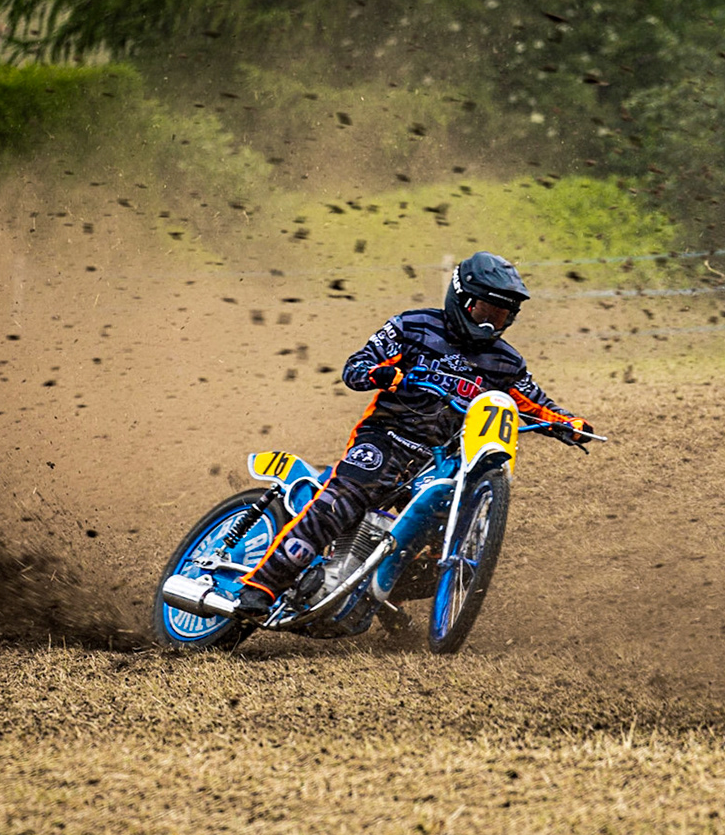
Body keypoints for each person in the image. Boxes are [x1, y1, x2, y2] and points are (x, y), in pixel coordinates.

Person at [234, 251, 592, 617]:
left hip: (441, 459)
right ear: (461, 299)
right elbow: (356, 366)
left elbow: (535, 403)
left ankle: (379, 599)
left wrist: (570, 424)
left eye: (500, 316)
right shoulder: (413, 327)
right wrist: (380, 374)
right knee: (342, 500)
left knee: (438, 542)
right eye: (485, 312)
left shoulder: (507, 362)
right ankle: (261, 586)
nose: (490, 325)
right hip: (385, 439)